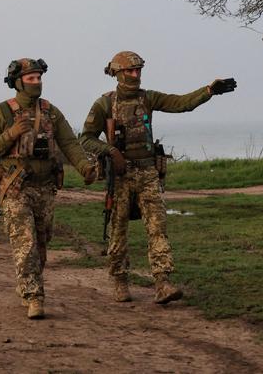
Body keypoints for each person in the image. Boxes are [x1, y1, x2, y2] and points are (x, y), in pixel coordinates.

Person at [78, 51, 237, 304]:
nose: (135, 75)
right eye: (130, 71)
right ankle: (119, 279)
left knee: (157, 227)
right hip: (120, 177)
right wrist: (110, 151)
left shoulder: (148, 98)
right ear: (118, 74)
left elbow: (180, 103)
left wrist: (208, 91)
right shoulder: (104, 104)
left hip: (148, 173)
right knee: (118, 230)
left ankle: (162, 282)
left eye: (138, 70)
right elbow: (85, 138)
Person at [0, 58, 97, 319]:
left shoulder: (51, 112)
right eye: (31, 79)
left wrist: (85, 167)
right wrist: (10, 134)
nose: (37, 83)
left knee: (42, 244)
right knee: (26, 244)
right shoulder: (3, 112)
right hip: (16, 188)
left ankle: (26, 284)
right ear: (18, 82)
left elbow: (69, 143)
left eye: (39, 78)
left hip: (45, 188)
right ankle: (34, 296)